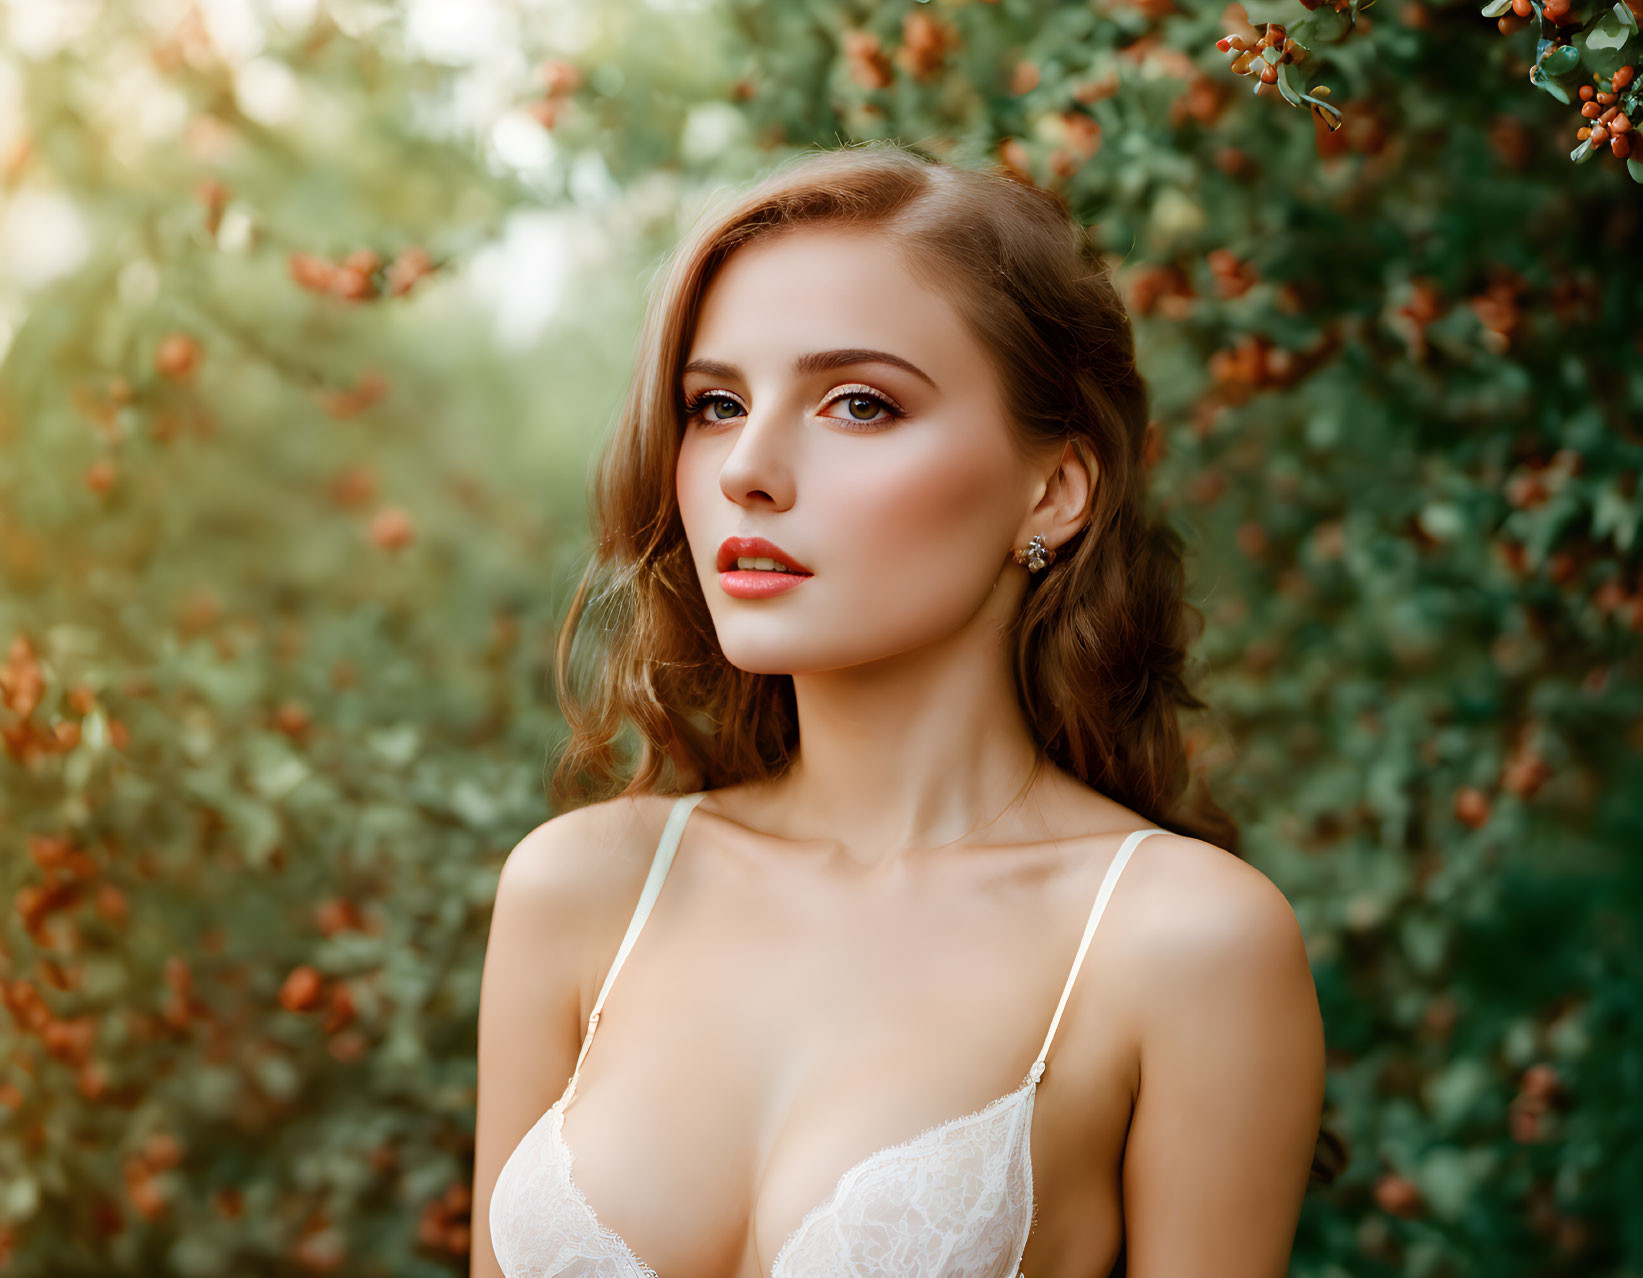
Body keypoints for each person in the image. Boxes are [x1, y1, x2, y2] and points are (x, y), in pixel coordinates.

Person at [471, 140, 1328, 1278]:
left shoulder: (1179, 939)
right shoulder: (582, 890)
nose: (746, 471)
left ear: (1053, 489)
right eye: (714, 404)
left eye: (858, 404)